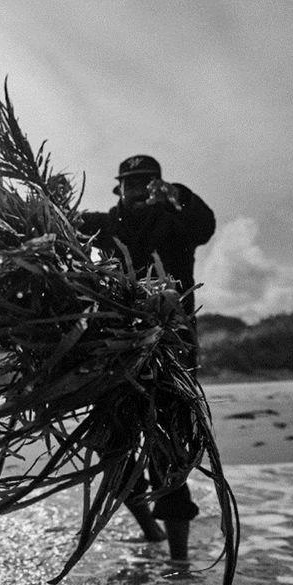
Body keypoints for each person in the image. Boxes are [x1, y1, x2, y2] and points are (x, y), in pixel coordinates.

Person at [78, 154, 216, 560]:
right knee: (112, 442)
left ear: (160, 185)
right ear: (119, 188)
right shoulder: (108, 224)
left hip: (171, 344)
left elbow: (204, 227)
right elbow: (64, 223)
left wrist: (179, 197)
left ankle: (179, 563)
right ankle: (150, 531)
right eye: (131, 183)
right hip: (116, 345)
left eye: (148, 183)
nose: (139, 190)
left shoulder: (176, 221)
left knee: (169, 446)